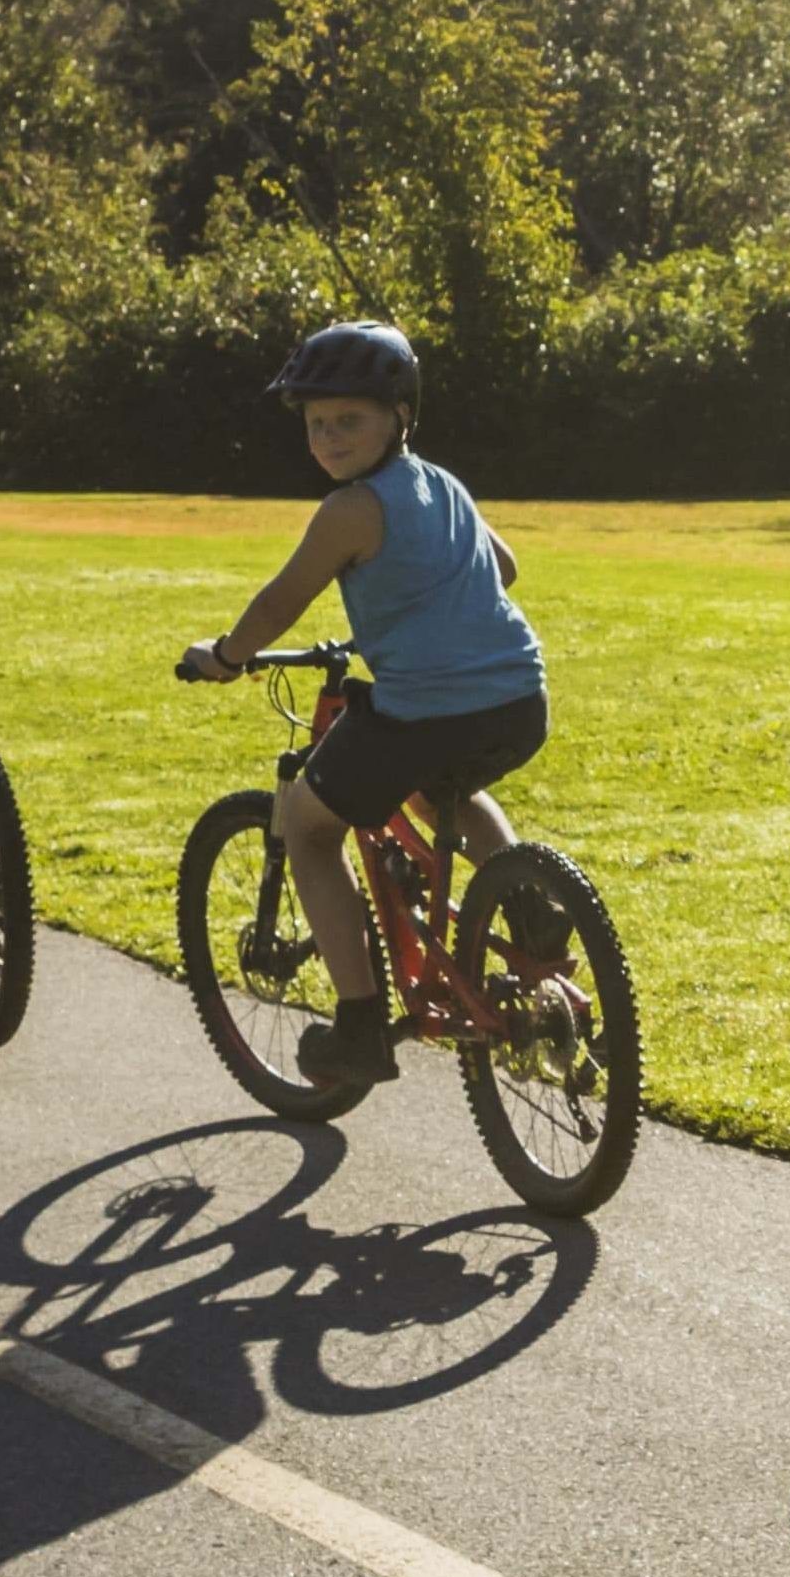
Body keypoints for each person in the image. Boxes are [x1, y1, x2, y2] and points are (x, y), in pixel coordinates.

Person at [176, 319, 543, 1077]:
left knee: (309, 829)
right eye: (316, 423)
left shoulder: (349, 509)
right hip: (516, 696)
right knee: (451, 792)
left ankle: (359, 1025)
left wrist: (225, 656)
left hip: (425, 710)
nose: (330, 436)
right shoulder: (444, 483)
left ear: (398, 416)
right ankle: (533, 917)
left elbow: (281, 601)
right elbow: (502, 567)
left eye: (349, 419)